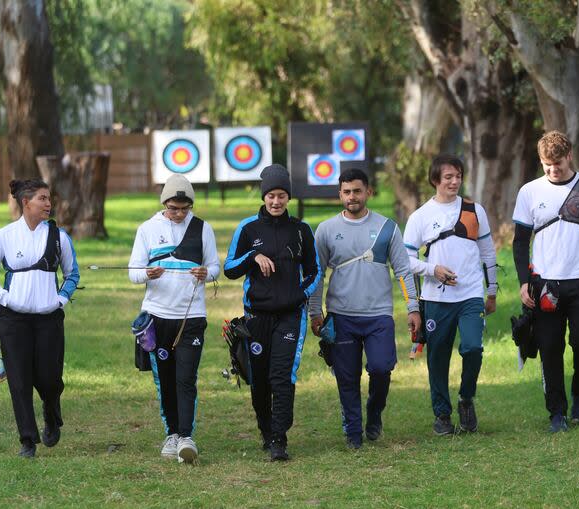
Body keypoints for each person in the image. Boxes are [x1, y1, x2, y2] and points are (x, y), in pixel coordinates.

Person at [512, 130, 579, 433]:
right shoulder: (529, 192)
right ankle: (557, 413)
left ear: (570, 155)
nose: (553, 170)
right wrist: (524, 283)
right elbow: (520, 243)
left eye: (557, 163)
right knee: (549, 347)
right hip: (545, 283)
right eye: (547, 165)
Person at [308, 169, 421, 449]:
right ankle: (353, 432)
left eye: (357, 191)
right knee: (347, 376)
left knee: (382, 368)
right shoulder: (326, 230)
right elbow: (316, 274)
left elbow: (404, 271)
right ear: (340, 194)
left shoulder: (387, 227)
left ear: (368, 192)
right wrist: (315, 312)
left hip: (378, 315)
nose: (352, 197)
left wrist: (413, 307)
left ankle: (374, 413)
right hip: (341, 315)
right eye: (346, 192)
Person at [224, 163, 321, 461]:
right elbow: (229, 268)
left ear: (288, 197)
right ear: (264, 196)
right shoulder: (247, 228)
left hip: (291, 316)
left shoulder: (301, 230)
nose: (276, 201)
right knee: (261, 379)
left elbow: (315, 271)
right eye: (271, 196)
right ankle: (266, 431)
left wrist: (299, 295)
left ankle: (279, 438)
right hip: (256, 316)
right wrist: (253, 256)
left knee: (282, 375)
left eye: (281, 195)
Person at [0, 179, 80, 458]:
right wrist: (5, 298)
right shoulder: (4, 236)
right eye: (43, 199)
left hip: (49, 319)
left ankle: (50, 410)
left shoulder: (59, 237)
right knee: (19, 381)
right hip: (13, 320)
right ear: (26, 203)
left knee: (49, 379)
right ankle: (27, 441)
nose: (49, 204)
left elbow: (72, 275)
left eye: (49, 199)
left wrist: (60, 300)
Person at [403, 155, 498, 435]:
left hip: (470, 295)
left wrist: (491, 291)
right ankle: (442, 415)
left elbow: (488, 252)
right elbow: (405, 259)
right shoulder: (420, 216)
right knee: (438, 357)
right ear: (435, 180)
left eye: (458, 176)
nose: (454, 182)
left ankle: (466, 399)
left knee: (472, 348)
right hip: (436, 298)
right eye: (448, 177)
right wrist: (433, 269)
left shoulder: (474, 210)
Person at [129, 174, 220, 463]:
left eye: (184, 208)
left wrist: (207, 273)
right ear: (164, 203)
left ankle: (186, 436)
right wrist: (147, 273)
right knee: (165, 379)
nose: (179, 214)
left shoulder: (203, 228)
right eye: (173, 208)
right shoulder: (147, 229)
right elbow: (133, 271)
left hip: (191, 316)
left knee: (186, 377)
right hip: (157, 317)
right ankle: (171, 434)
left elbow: (215, 266)